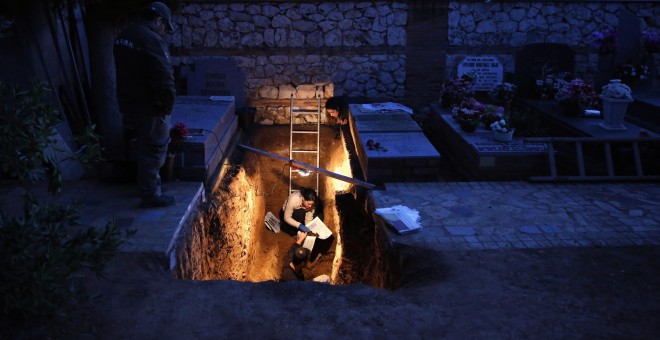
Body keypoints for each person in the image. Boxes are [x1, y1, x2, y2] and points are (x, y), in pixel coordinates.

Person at [114, 2, 177, 208]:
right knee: (154, 148)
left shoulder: (124, 36)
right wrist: (167, 103)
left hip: (129, 103)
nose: (164, 32)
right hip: (150, 106)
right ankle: (150, 194)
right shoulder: (151, 40)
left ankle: (146, 186)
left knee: (141, 144)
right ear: (159, 20)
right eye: (165, 27)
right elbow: (163, 75)